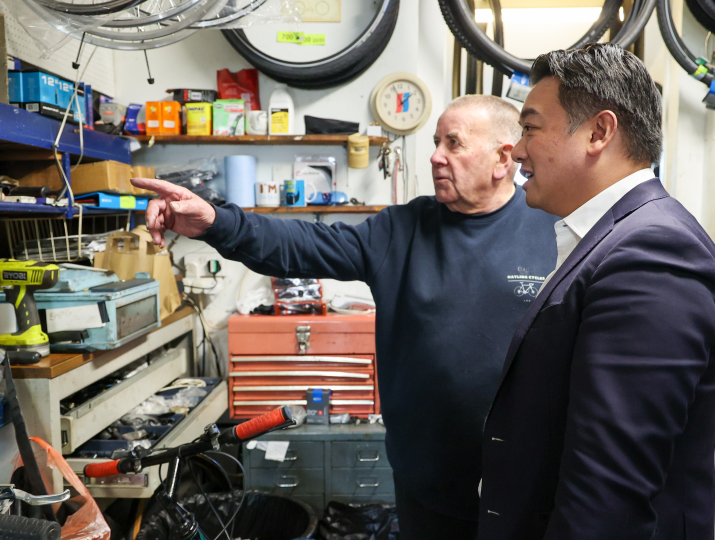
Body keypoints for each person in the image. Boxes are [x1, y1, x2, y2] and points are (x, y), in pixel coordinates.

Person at [133, 95, 557, 539]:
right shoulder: (401, 229)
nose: (435, 156)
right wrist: (216, 222)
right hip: (426, 485)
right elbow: (303, 245)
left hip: (522, 484)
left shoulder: (553, 231)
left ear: (502, 159)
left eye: (454, 143)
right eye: (435, 142)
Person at [477, 43, 715, 540]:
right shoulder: (611, 237)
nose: (517, 150)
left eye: (530, 128)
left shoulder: (652, 252)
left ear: (598, 132)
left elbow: (608, 496)